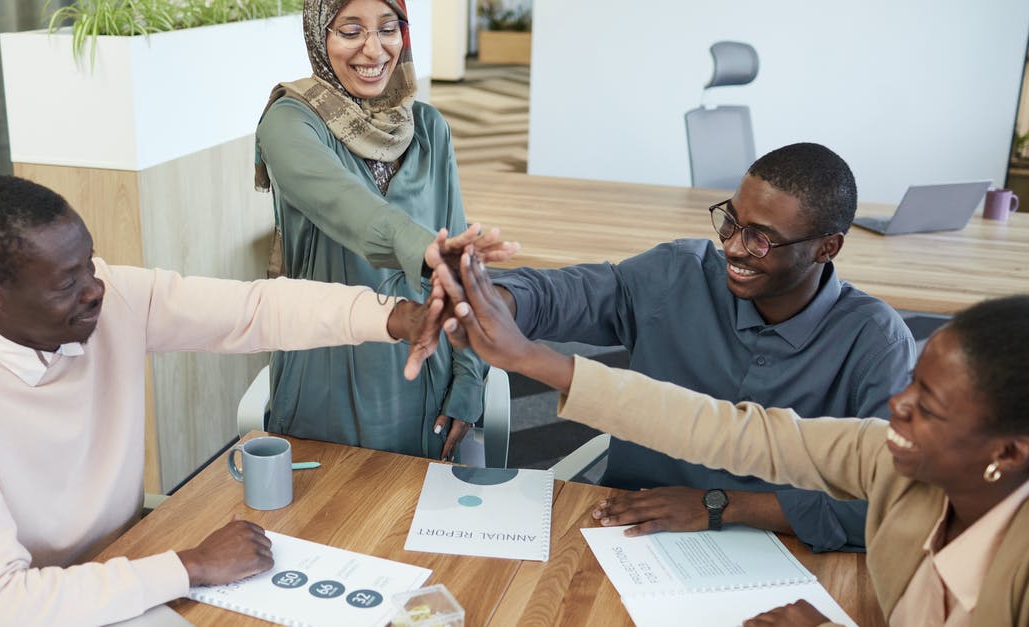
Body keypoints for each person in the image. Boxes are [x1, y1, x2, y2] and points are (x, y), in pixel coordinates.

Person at [0, 175, 448, 626]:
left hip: (122, 566)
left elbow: (252, 310)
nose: (94, 288)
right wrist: (191, 565)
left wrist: (396, 316)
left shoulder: (112, 299)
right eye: (67, 283)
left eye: (90, 263)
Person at [438, 251, 1029, 626]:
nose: (897, 406)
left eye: (927, 406)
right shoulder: (886, 456)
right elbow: (720, 430)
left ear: (1007, 452)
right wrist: (535, 360)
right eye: (913, 385)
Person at [484, 143, 916, 551]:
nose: (731, 246)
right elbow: (566, 293)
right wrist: (497, 303)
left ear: (827, 247)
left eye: (760, 239)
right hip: (627, 529)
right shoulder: (679, 274)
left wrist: (722, 505)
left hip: (788, 552)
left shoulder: (876, 342)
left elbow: (891, 504)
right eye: (730, 220)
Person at [254, 0, 515, 461]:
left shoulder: (429, 128)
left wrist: (470, 379)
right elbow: (348, 207)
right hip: (326, 377)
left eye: (388, 29)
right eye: (351, 31)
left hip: (424, 373)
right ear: (320, 35)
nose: (374, 50)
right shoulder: (290, 122)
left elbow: (461, 266)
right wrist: (427, 252)